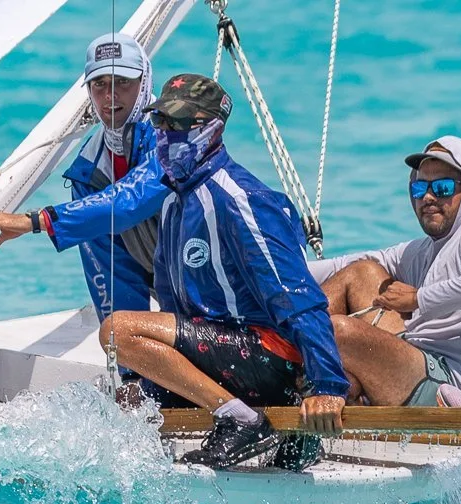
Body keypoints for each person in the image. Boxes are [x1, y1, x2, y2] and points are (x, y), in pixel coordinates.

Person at [95, 74, 348, 470]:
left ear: (212, 128)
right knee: (122, 398)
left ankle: (243, 420)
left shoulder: (240, 198)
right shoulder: (176, 203)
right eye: (160, 123)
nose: (166, 134)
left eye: (178, 124)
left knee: (117, 331)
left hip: (269, 360)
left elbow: (298, 299)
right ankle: (248, 424)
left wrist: (328, 385)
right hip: (219, 358)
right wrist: (143, 382)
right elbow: (172, 310)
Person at [0, 33, 167, 322]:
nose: (110, 96)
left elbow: (130, 201)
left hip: (213, 285)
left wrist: (34, 221)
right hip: (171, 285)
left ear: (144, 82)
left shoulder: (171, 137)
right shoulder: (89, 171)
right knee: (121, 333)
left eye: (123, 81)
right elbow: (113, 283)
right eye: (99, 84)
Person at [311, 137, 461, 408]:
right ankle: (282, 357)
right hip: (418, 362)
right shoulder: (423, 250)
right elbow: (341, 265)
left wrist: (418, 299)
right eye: (420, 187)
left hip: (460, 389)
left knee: (337, 331)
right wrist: (270, 272)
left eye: (443, 188)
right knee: (361, 273)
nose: (428, 197)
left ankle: (304, 378)